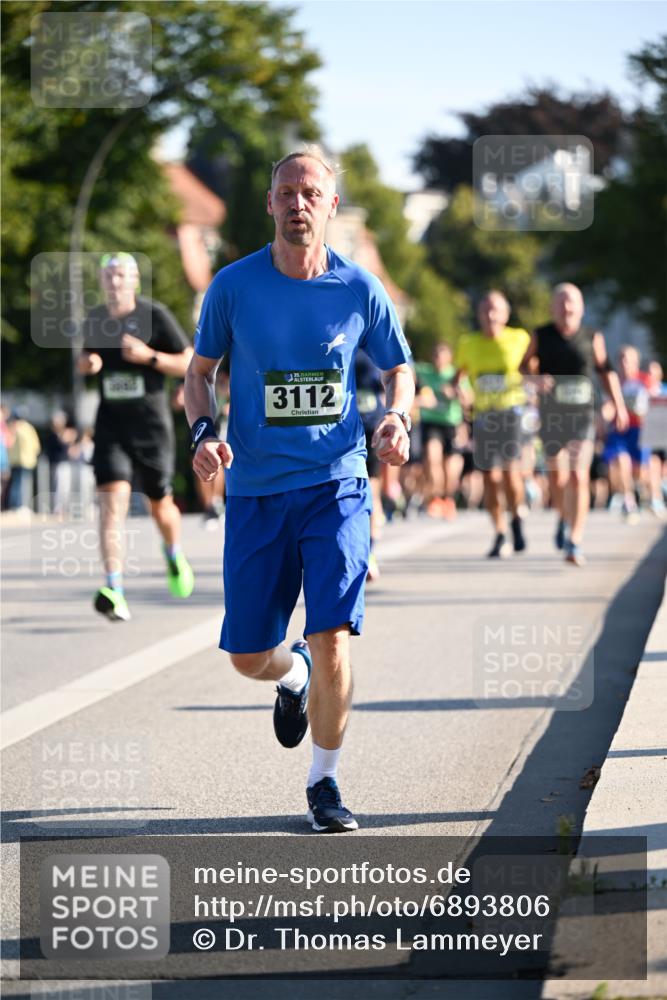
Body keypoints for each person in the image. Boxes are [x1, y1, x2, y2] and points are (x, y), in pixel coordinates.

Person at [184, 146, 413, 833]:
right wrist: (202, 435)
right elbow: (198, 374)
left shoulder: (358, 288)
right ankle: (293, 677)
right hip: (255, 489)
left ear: (331, 205)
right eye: (286, 191)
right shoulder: (234, 285)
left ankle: (324, 783)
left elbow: (397, 370)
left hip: (335, 483)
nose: (298, 203)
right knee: (248, 654)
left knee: (334, 633)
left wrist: (395, 418)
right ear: (269, 203)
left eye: (311, 192)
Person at [79, 253, 195, 621]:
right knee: (111, 505)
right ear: (102, 280)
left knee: (160, 505)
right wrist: (87, 364)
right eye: (109, 275)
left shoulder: (154, 315)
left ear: (134, 281)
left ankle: (173, 551)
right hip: (111, 425)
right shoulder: (95, 319)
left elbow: (189, 361)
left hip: (151, 427)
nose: (114, 281)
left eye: (121, 275)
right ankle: (114, 587)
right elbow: (83, 359)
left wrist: (150, 358)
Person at [522, 283, 628, 564]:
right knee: (558, 476)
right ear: (552, 307)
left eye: (572, 303)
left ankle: (575, 540)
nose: (567, 308)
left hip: (583, 415)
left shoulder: (592, 337)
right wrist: (534, 379)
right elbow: (522, 367)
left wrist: (617, 405)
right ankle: (563, 517)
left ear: (581, 309)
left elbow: (606, 371)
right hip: (552, 415)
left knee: (580, 475)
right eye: (561, 303)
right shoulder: (541, 335)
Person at [454, 291, 530, 558]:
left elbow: (533, 368)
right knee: (489, 476)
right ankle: (499, 531)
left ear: (506, 314)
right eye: (485, 310)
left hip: (510, 411)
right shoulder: (468, 343)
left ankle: (517, 516)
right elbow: (458, 376)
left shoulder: (520, 338)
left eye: (496, 309)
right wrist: (461, 391)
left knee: (510, 473)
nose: (490, 315)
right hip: (483, 415)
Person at [602, 345, 655, 523]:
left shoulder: (645, 380)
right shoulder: (614, 382)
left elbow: (655, 403)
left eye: (628, 359)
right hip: (620, 430)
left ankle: (644, 493)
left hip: (640, 431)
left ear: (636, 362)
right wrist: (605, 415)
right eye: (621, 359)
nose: (624, 363)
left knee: (640, 472)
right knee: (620, 461)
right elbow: (609, 405)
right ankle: (628, 500)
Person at [415, 343, 464, 519]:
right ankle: (435, 498)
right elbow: (406, 369)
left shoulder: (455, 374)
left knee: (450, 469)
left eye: (442, 355)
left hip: (451, 423)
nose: (438, 359)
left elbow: (469, 399)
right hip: (431, 422)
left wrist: (455, 392)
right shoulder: (424, 371)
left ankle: (448, 498)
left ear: (449, 357)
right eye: (435, 354)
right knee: (431, 458)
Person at [354, 349, 386, 581]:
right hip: (339, 428)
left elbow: (399, 375)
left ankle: (369, 552)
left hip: (370, 427)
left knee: (369, 491)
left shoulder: (376, 342)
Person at [6, 409, 41, 511]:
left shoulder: (13, 428)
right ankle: (19, 505)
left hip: (15, 461)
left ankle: (15, 505)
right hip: (26, 461)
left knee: (16, 484)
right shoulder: (28, 428)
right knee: (22, 484)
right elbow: (36, 446)